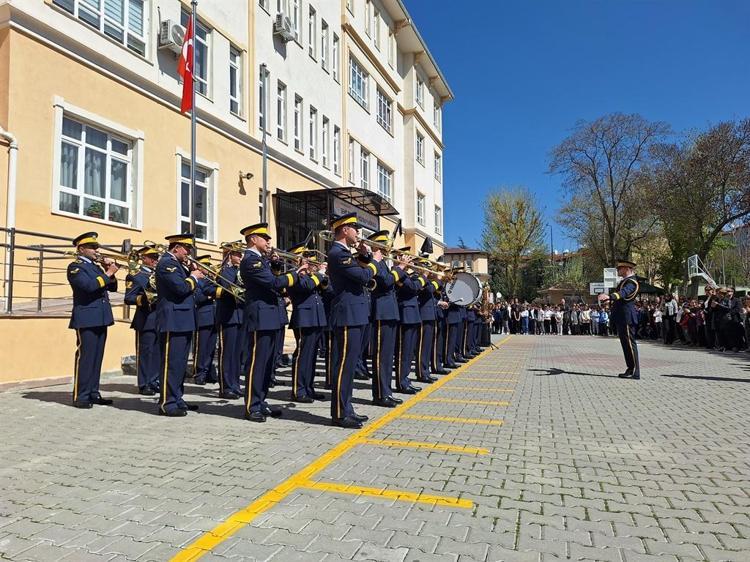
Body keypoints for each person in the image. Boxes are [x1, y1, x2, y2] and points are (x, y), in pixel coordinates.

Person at [240, 223, 306, 422]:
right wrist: (296, 273)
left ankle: (261, 401)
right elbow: (274, 283)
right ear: (253, 239)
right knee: (257, 364)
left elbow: (274, 281)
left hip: (270, 317)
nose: (269, 241)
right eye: (265, 238)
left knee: (267, 364)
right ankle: (252, 406)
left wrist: (276, 265)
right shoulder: (251, 260)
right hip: (260, 318)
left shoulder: (261, 260)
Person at [327, 213, 380, 429]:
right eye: (355, 228)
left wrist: (365, 256)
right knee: (344, 365)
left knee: (349, 365)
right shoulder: (337, 253)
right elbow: (364, 277)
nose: (358, 232)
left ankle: (347, 409)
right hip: (347, 315)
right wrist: (375, 262)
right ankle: (340, 413)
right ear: (344, 229)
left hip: (355, 314)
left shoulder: (346, 253)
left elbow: (359, 270)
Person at [67, 232, 119, 409]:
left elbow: (112, 287)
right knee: (86, 357)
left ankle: (93, 392)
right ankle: (81, 396)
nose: (97, 250)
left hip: (101, 317)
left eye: (97, 247)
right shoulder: (75, 267)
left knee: (97, 358)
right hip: (87, 317)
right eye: (92, 247)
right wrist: (108, 273)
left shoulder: (96, 268)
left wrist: (109, 271)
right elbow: (88, 287)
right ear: (81, 249)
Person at [155, 233, 205, 416]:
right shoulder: (166, 264)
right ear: (176, 248)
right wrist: (193, 277)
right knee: (171, 363)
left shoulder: (178, 265)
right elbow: (181, 288)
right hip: (173, 320)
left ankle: (177, 398)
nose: (188, 253)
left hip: (183, 319)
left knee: (180, 364)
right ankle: (167, 403)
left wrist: (192, 273)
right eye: (187, 249)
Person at [368, 230, 410, 407]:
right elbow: (386, 282)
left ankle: (386, 392)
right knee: (381, 356)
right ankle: (380, 394)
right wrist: (400, 268)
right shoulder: (374, 263)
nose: (388, 248)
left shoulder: (383, 264)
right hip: (381, 313)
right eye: (385, 245)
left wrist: (399, 269)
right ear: (378, 246)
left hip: (389, 312)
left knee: (387, 356)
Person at [286, 244, 328, 403]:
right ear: (296, 259)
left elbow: (325, 289)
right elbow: (306, 286)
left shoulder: (310, 274)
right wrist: (319, 274)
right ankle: (298, 390)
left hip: (316, 317)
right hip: (304, 318)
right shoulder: (293, 274)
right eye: (304, 257)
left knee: (311, 356)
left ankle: (309, 388)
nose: (309, 261)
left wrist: (321, 276)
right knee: (302, 355)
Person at [124, 245, 160, 396]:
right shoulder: (135, 275)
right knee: (145, 353)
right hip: (146, 319)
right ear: (144, 259)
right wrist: (145, 299)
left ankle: (154, 381)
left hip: (160, 318)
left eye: (156, 257)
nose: (156, 260)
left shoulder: (159, 274)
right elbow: (128, 298)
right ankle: (144, 383)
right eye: (152, 258)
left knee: (157, 353)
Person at [598, 259, 641, 379]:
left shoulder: (632, 282)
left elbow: (624, 293)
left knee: (630, 344)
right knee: (625, 344)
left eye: (619, 268)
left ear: (627, 269)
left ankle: (635, 371)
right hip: (622, 317)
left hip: (627, 317)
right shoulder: (625, 281)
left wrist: (609, 296)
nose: (617, 270)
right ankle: (630, 368)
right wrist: (609, 300)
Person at [215, 244, 244, 397]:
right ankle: (225, 387)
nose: (240, 257)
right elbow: (228, 286)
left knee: (237, 354)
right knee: (227, 353)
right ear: (230, 255)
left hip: (240, 316)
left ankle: (235, 384)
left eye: (240, 254)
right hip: (228, 316)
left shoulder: (241, 271)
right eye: (237, 254)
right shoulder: (225, 271)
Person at [192, 255, 218, 387]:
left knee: (211, 348)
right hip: (203, 317)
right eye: (205, 266)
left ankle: (207, 372)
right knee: (201, 348)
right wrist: (210, 294)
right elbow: (198, 298)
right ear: (199, 267)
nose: (208, 268)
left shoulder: (211, 280)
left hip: (214, 317)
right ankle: (199, 373)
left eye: (209, 265)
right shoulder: (197, 280)